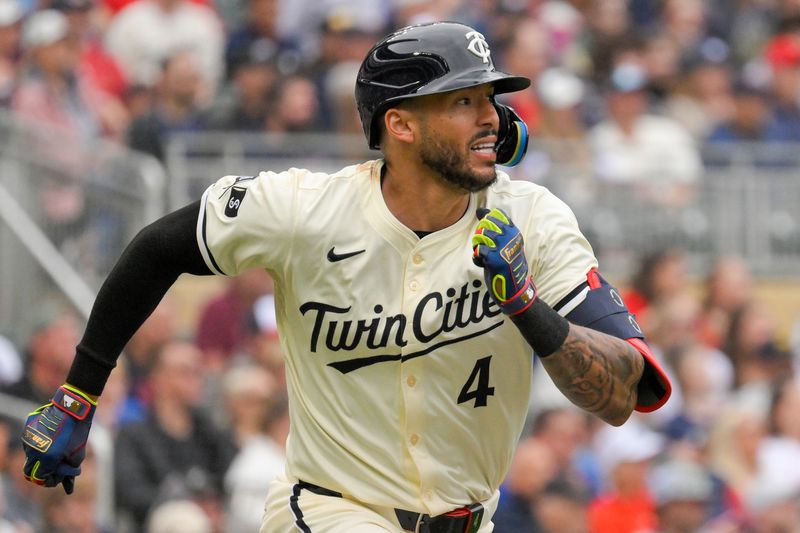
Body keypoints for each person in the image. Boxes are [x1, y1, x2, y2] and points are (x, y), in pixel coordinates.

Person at [20, 22, 671, 532]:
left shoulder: (531, 217)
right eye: (464, 99)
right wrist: (80, 392)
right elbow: (158, 247)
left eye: (493, 99)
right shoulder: (305, 208)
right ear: (402, 123)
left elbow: (620, 396)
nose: (493, 118)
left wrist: (528, 304)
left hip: (473, 518)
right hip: (329, 512)